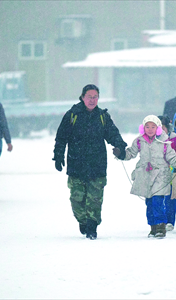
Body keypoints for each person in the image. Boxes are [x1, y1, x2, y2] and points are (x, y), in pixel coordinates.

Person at [53, 84, 127, 240]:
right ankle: (83, 220)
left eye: (95, 97)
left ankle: (92, 226)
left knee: (94, 200)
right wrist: (58, 156)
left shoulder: (102, 116)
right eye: (89, 97)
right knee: (77, 200)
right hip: (76, 164)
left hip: (97, 165)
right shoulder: (72, 115)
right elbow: (61, 138)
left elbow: (113, 134)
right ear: (82, 97)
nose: (92, 100)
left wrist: (120, 147)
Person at [114, 115, 176, 238]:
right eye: (147, 126)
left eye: (153, 127)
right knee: (149, 202)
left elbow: (171, 157)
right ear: (143, 128)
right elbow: (131, 153)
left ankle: (161, 226)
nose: (150, 129)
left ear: (158, 128)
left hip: (161, 175)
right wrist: (121, 154)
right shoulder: (139, 141)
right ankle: (153, 226)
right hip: (145, 175)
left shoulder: (165, 141)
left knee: (158, 201)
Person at [158, 115, 176, 231]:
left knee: (171, 198)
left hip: (173, 173)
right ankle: (159, 220)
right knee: (158, 197)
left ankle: (169, 221)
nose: (160, 130)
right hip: (157, 174)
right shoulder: (151, 140)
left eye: (162, 127)